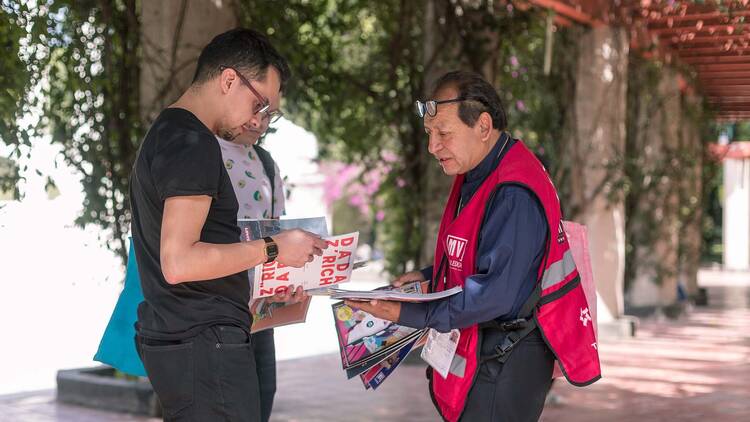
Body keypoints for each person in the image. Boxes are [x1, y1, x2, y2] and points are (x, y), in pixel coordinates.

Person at [351, 71, 600, 422]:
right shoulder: (480, 171)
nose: (432, 146)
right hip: (486, 345)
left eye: (443, 133)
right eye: (429, 134)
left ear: (483, 126)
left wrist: (407, 313)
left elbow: (495, 293)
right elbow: (478, 253)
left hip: (507, 356)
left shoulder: (513, 191)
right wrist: (428, 277)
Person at [129, 28, 328, 422]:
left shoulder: (170, 135)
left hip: (192, 342)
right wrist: (274, 248)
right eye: (261, 106)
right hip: (204, 345)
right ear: (229, 80)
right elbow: (179, 262)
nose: (262, 121)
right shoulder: (192, 142)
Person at [216, 126, 303, 422]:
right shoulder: (200, 154)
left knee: (260, 402)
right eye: (258, 105)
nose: (261, 120)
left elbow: (276, 237)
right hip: (213, 318)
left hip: (259, 319)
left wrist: (287, 286)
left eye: (270, 113)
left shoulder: (265, 161)